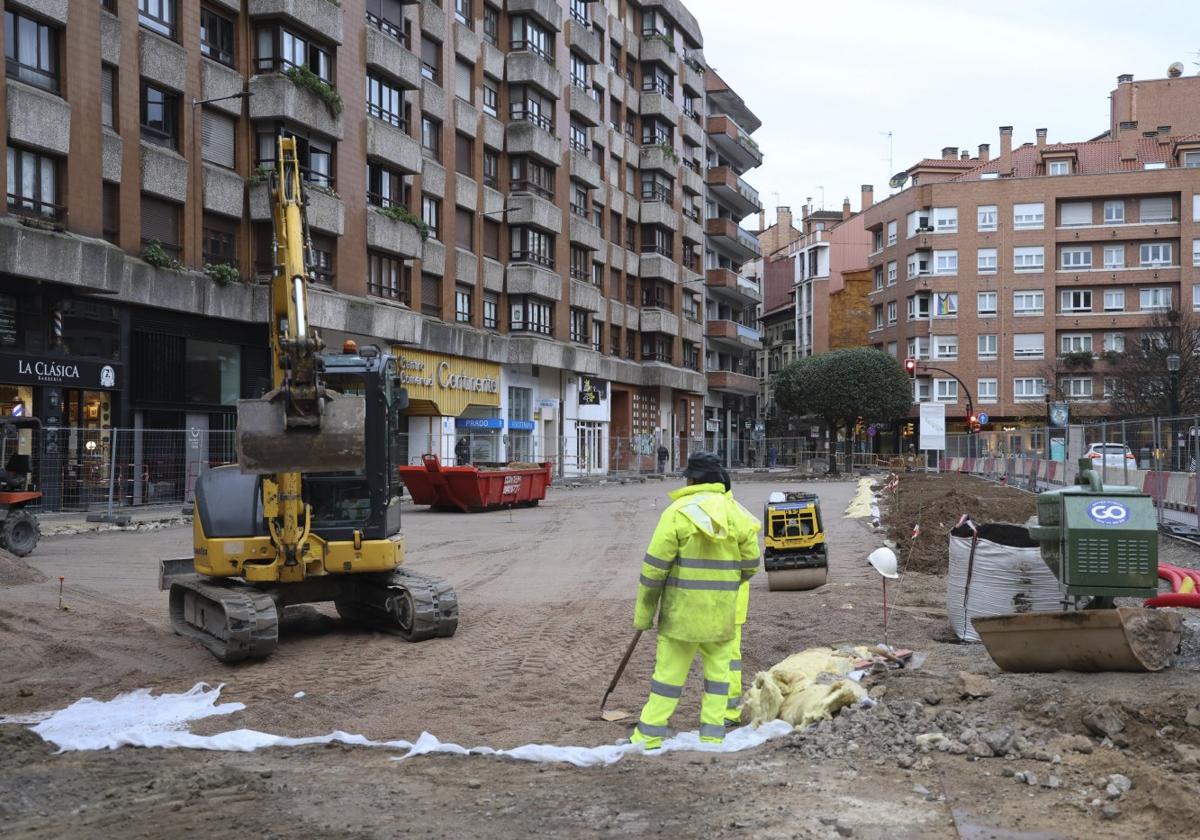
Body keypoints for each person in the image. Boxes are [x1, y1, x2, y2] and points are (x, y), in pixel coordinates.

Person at [631, 452, 762, 749]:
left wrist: (644, 615)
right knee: (718, 680)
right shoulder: (736, 514)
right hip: (720, 616)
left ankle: (649, 736)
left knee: (667, 679)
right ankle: (712, 737)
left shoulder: (677, 513)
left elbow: (654, 571)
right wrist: (726, 585)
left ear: (693, 479)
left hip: (681, 617)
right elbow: (752, 563)